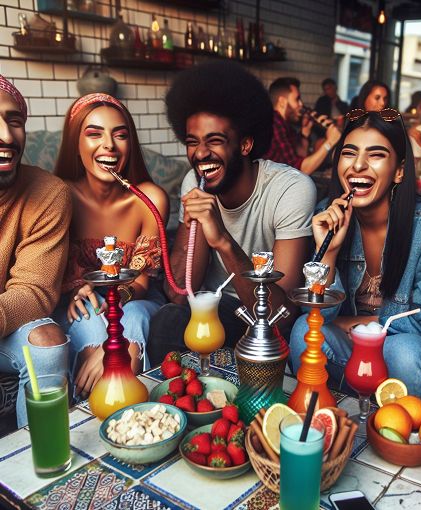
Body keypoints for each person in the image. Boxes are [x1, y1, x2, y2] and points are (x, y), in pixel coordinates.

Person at [147, 61, 316, 365]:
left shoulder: (291, 189)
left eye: (215, 141)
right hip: (211, 311)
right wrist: (197, 226)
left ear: (246, 144)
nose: (200, 154)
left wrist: (223, 240)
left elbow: (282, 315)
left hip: (260, 315)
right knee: (168, 320)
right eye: (193, 142)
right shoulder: (193, 181)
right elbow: (179, 293)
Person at [289, 109, 421, 398]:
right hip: (347, 350)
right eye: (349, 153)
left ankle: (398, 431)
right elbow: (314, 314)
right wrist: (328, 252)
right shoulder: (326, 215)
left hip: (400, 353)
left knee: (402, 351)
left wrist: (357, 324)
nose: (359, 166)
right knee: (305, 331)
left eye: (375, 155)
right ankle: (323, 421)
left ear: (399, 171)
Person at [53, 93, 168, 397]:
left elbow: (142, 280)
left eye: (120, 135)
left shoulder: (149, 199)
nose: (109, 145)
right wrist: (78, 289)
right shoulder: (58, 196)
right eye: (94, 134)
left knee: (136, 321)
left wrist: (112, 340)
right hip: (78, 301)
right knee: (90, 324)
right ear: (75, 146)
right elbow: (47, 268)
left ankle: (136, 420)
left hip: (137, 297)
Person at [0, 75, 71, 427]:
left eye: (14, 121)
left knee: (46, 340)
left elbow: (35, 291)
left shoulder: (47, 193)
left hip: (5, 322)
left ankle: (42, 467)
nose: (7, 135)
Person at [263, 77, 341, 175]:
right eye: (297, 99)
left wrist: (305, 132)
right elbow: (297, 171)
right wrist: (330, 142)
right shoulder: (274, 123)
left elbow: (300, 156)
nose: (301, 104)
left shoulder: (284, 124)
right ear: (282, 102)